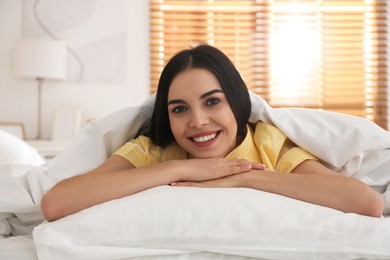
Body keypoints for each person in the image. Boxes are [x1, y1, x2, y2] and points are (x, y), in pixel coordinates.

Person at [41, 44, 384, 221]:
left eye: (212, 102)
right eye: (179, 109)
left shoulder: (265, 141)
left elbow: (367, 203)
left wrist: (245, 178)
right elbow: (57, 202)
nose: (198, 121)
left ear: (235, 101)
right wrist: (182, 168)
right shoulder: (153, 151)